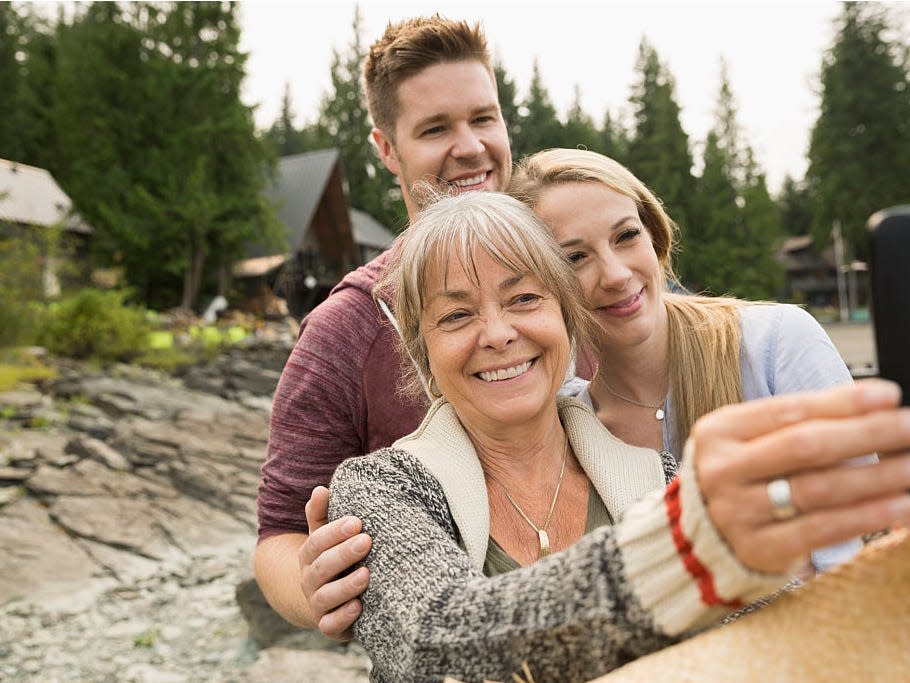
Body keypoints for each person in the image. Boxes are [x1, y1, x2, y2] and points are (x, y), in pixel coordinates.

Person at [326, 189, 910, 683]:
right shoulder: (379, 488)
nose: (498, 333)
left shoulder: (656, 477)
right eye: (456, 315)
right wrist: (678, 551)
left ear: (566, 315)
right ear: (422, 349)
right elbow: (437, 641)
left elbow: (769, 644)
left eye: (524, 298)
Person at [254, 15, 571, 638]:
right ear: (387, 150)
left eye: (484, 118)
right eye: (435, 129)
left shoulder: (572, 272)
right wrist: (312, 585)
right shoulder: (343, 332)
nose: (471, 147)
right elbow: (279, 536)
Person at [508, 147, 874, 572]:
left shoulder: (775, 344)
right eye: (575, 258)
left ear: (654, 235)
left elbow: (858, 551)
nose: (616, 275)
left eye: (626, 236)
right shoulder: (570, 424)